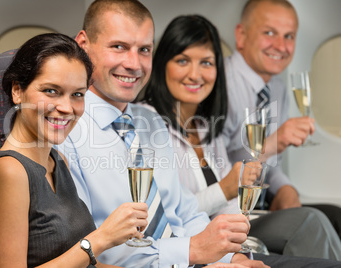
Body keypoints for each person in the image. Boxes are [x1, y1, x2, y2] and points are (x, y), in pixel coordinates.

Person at [57, 0, 341, 267]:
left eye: (144, 50)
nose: (134, 64)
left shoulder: (148, 122)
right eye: (119, 47)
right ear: (83, 44)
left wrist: (229, 259)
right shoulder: (66, 132)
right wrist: (194, 251)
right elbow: (94, 252)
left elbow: (187, 213)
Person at [140, 13, 341, 260]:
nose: (196, 74)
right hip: (194, 241)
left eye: (206, 63)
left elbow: (230, 205)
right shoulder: (148, 123)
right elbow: (169, 213)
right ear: (162, 65)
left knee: (326, 218)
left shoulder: (205, 125)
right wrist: (226, 188)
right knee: (310, 223)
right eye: (183, 61)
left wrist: (243, 223)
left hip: (230, 229)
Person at [0, 33, 149, 267]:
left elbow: (89, 264)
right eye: (51, 91)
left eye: (77, 94)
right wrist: (100, 239)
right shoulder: (9, 172)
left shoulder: (57, 160)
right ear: (17, 90)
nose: (67, 108)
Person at [222, 0, 341, 237]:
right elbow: (219, 171)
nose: (281, 46)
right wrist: (276, 141)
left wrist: (286, 189)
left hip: (262, 205)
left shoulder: (277, 88)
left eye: (289, 36)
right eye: (269, 33)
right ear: (241, 35)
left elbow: (271, 164)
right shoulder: (218, 84)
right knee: (312, 224)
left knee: (336, 215)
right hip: (229, 210)